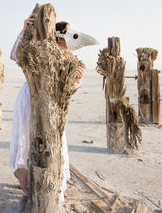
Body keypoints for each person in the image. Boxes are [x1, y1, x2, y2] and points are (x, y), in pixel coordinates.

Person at [8, 12, 98, 199]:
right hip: (31, 98)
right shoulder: (39, 49)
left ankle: (49, 185)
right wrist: (24, 31)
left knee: (52, 142)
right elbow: (16, 56)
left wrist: (77, 80)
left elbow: (68, 89)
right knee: (27, 138)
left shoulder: (70, 58)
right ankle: (25, 179)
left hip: (53, 105)